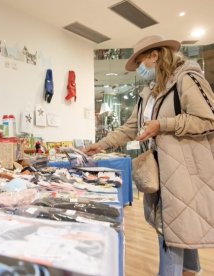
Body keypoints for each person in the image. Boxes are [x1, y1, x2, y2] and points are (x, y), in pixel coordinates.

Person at [85, 35, 214, 276]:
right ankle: (191, 270)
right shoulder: (151, 92)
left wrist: (163, 125)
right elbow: (130, 128)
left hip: (184, 172)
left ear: (154, 56)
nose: (141, 69)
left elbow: (207, 119)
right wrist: (100, 145)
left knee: (170, 230)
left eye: (142, 62)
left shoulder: (188, 79)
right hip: (162, 170)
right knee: (179, 226)